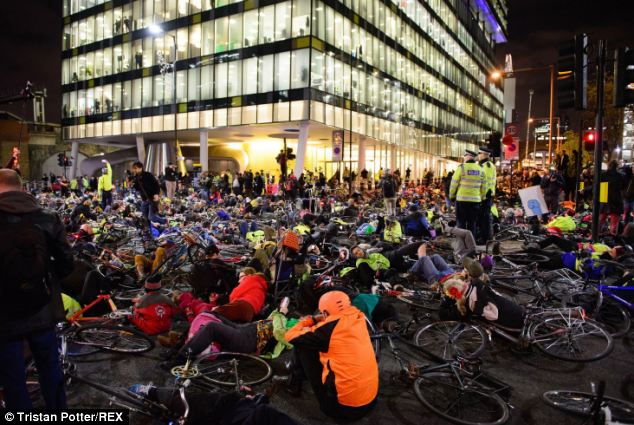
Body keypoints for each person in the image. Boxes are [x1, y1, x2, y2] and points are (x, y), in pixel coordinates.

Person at [0, 169, 74, 409]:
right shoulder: (47, 217)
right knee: (50, 368)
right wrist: (43, 279)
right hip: (43, 309)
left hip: (5, 318)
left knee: (13, 379)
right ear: (21, 187)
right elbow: (66, 264)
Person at [284, 291, 378, 422]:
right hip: (370, 401)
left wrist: (311, 320)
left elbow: (290, 335)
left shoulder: (328, 330)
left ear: (325, 313)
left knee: (303, 346)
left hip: (342, 409)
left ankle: (293, 384)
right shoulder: (358, 316)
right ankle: (297, 379)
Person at [449, 150, 486, 235]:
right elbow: (484, 186)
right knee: (472, 223)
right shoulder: (481, 169)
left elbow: (454, 184)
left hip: (461, 200)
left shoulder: (461, 168)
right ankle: (471, 244)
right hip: (475, 201)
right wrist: (482, 198)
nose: (464, 157)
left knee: (461, 222)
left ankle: (462, 244)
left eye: (465, 156)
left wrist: (452, 196)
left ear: (468, 156)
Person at [131, 161, 166, 226]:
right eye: (133, 168)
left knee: (151, 217)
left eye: (135, 168)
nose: (134, 170)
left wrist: (156, 194)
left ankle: (165, 221)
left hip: (152, 198)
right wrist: (133, 185)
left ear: (140, 168)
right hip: (144, 200)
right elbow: (138, 189)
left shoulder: (148, 175)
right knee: (146, 219)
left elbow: (156, 185)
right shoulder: (136, 177)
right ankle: (150, 232)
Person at [599, 160, 625, 235]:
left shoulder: (604, 175)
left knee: (601, 220)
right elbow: (622, 187)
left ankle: (597, 236)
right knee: (614, 223)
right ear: (617, 166)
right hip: (616, 200)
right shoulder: (620, 176)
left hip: (605, 199)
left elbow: (599, 187)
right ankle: (612, 237)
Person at [477, 147, 496, 244]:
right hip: (486, 196)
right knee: (484, 217)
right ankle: (485, 237)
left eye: (479, 154)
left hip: (485, 196)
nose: (478, 156)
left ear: (484, 155)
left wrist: (483, 196)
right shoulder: (486, 165)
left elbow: (486, 181)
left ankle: (485, 239)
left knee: (485, 218)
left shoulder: (487, 166)